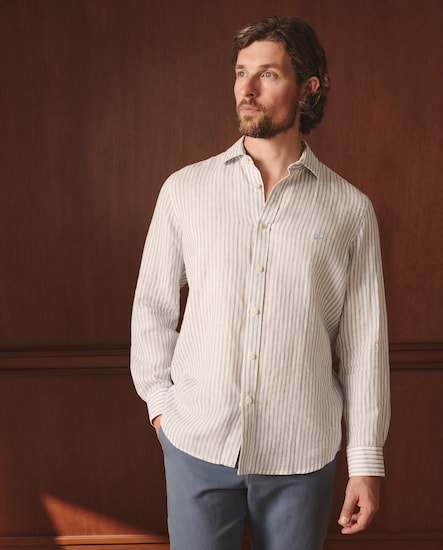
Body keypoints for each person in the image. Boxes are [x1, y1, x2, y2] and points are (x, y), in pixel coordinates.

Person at [130, 15, 390, 550]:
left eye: (267, 74)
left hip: (302, 454)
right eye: (240, 72)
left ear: (308, 88)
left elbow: (364, 346)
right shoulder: (185, 190)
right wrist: (161, 407)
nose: (246, 89)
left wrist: (365, 462)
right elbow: (152, 307)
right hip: (196, 444)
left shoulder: (350, 210)